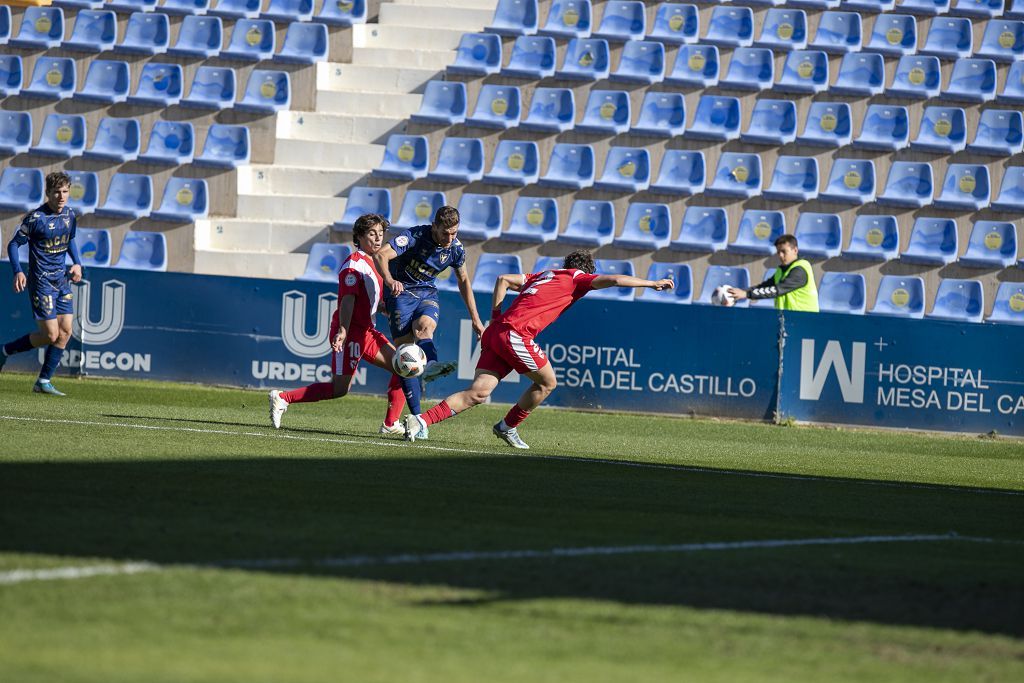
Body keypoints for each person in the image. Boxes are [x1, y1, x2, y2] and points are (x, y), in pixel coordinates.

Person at [404, 250, 674, 449]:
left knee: (478, 393)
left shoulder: (543, 275)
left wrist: (495, 316)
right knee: (547, 383)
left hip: (497, 332)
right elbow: (615, 280)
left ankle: (421, 421)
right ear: (586, 270)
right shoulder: (577, 278)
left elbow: (503, 279)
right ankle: (507, 426)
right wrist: (651, 284)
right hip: (515, 334)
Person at [268, 214, 403, 429]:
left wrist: (385, 308)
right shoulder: (353, 265)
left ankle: (391, 423)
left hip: (367, 331)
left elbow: (367, 299)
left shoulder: (375, 262)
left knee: (402, 367)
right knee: (339, 389)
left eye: (381, 233)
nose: (378, 238)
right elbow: (347, 300)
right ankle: (283, 398)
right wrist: (342, 330)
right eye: (371, 233)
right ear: (359, 237)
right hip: (351, 333)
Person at [373, 205, 485, 438]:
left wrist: (476, 319)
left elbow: (464, 281)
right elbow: (381, 255)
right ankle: (416, 419)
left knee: (425, 328)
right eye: (445, 232)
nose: (450, 238)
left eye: (454, 233)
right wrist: (389, 280)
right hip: (401, 293)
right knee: (405, 355)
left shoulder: (455, 249)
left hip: (426, 292)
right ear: (434, 226)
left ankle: (430, 365)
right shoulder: (414, 236)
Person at [0, 171, 82, 395]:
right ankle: (4, 351)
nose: (61, 196)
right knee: (50, 336)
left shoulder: (70, 215)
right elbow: (13, 245)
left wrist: (77, 263)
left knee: (65, 332)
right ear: (48, 193)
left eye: (65, 191)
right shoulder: (36, 218)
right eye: (57, 192)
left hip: (62, 280)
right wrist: (18, 271)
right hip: (42, 282)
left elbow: (70, 240)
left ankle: (43, 381)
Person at [727, 234, 819, 312]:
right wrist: (743, 291)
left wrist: (747, 294)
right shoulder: (782, 270)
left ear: (795, 250)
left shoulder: (800, 270)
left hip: (805, 319)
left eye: (784, 251)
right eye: (778, 252)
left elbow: (777, 290)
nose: (780, 255)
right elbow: (765, 287)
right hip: (788, 320)